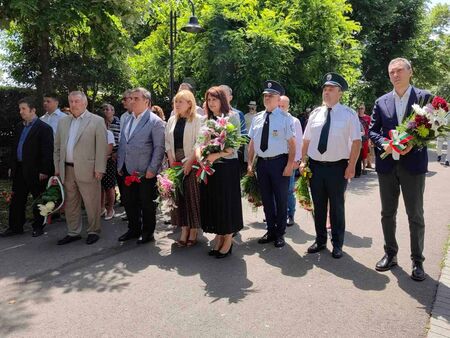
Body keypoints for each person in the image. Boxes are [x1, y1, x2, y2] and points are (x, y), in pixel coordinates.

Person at [369, 57, 432, 281]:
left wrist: (411, 144)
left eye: (399, 71)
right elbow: (372, 130)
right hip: (387, 166)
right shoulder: (381, 101)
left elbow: (433, 128)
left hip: (413, 165)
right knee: (387, 213)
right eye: (391, 72)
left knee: (415, 214)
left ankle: (417, 261)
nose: (395, 75)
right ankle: (390, 254)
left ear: (410, 72)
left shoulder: (425, 98)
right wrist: (384, 143)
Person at [301, 73, 361, 259]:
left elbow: (357, 142)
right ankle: (320, 240)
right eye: (325, 89)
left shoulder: (349, 114)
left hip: (337, 167)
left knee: (336, 206)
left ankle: (337, 244)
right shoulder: (315, 114)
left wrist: (351, 166)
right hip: (316, 167)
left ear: (339, 93)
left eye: (331, 89)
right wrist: (303, 161)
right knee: (318, 205)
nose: (326, 92)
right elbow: (306, 140)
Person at [53, 91, 107, 245]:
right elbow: (57, 147)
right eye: (71, 101)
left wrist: (99, 169)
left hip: (89, 170)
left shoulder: (96, 121)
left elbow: (101, 148)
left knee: (91, 202)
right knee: (71, 203)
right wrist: (57, 167)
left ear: (85, 103)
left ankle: (93, 230)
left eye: (77, 101)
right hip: (67, 169)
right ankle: (73, 232)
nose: (73, 104)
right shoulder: (63, 122)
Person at [247, 80, 296, 248]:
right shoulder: (258, 118)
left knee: (281, 199)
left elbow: (292, 144)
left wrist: (290, 165)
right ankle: (270, 230)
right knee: (267, 199)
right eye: (265, 96)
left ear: (278, 99)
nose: (267, 98)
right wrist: (249, 163)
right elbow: (252, 142)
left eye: (271, 96)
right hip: (262, 163)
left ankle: (280, 233)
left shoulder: (285, 118)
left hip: (279, 162)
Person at [197, 86, 243, 258]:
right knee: (215, 203)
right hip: (210, 167)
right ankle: (219, 234)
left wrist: (215, 155)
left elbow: (235, 145)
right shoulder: (205, 119)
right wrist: (201, 156)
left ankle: (228, 238)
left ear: (222, 100)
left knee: (226, 203)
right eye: (209, 100)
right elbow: (199, 142)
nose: (211, 103)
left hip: (226, 167)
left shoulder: (233, 116)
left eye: (214, 99)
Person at [117, 87, 165, 244]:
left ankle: (147, 232)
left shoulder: (155, 121)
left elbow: (159, 148)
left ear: (146, 101)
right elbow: (124, 143)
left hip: (145, 171)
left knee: (146, 203)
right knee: (129, 201)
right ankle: (133, 229)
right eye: (130, 98)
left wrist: (152, 169)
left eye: (136, 98)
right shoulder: (128, 119)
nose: (131, 101)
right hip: (127, 169)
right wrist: (120, 164)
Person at [0, 97, 54, 238]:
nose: (21, 112)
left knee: (38, 199)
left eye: (23, 109)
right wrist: (12, 166)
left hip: (36, 171)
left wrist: (44, 170)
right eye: (20, 109)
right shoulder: (19, 126)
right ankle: (15, 227)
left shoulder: (44, 128)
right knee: (17, 199)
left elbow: (47, 152)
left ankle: (38, 226)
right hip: (19, 169)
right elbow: (15, 148)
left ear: (33, 110)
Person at [165, 90, 203, 246]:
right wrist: (171, 158)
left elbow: (199, 142)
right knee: (178, 197)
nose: (177, 105)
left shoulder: (198, 120)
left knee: (191, 197)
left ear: (190, 103)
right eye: (176, 102)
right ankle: (184, 229)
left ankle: (193, 230)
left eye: (180, 102)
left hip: (192, 162)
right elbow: (167, 141)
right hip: (175, 162)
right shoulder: (172, 120)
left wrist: (189, 162)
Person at [279, 95, 303, 226]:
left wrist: (297, 160)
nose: (281, 108)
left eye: (283, 106)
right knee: (276, 189)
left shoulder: (294, 121)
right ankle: (277, 213)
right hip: (277, 160)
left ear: (288, 107)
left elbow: (299, 142)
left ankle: (290, 214)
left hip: (290, 159)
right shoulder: (274, 119)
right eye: (279, 106)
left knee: (288, 190)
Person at [101, 118, 117, 220]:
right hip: (96, 163)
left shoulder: (108, 133)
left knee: (109, 187)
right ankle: (101, 208)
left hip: (107, 164)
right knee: (99, 189)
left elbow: (109, 150)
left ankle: (110, 209)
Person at [355, 104, 371, 176]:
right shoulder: (355, 117)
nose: (360, 110)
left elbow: (371, 129)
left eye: (362, 108)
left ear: (364, 109)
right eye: (359, 108)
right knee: (357, 153)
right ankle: (357, 168)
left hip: (365, 138)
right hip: (356, 138)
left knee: (364, 153)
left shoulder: (368, 118)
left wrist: (370, 140)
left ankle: (364, 168)